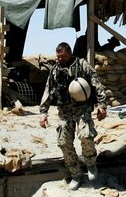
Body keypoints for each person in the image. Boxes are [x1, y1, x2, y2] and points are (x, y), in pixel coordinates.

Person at [39, 42, 108, 190]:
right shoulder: (55, 70)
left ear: (70, 53)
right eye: (58, 57)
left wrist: (102, 105)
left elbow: (97, 83)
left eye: (63, 56)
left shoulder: (82, 65)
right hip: (64, 113)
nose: (60, 59)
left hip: (82, 110)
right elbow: (47, 90)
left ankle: (90, 164)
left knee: (86, 135)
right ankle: (76, 174)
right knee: (64, 143)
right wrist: (43, 113)